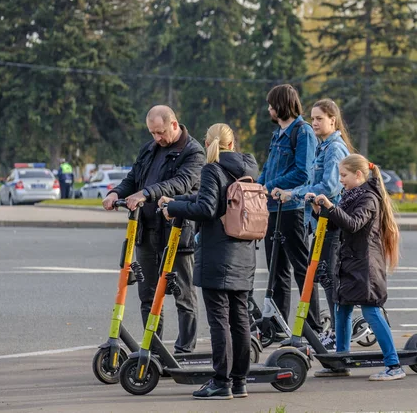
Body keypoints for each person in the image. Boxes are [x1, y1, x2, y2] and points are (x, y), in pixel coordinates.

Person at [161, 123, 258, 400]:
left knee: (220, 321)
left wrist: (172, 208)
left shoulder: (212, 169)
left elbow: (206, 208)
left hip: (218, 253)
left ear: (208, 143)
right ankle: (240, 381)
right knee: (240, 319)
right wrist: (179, 200)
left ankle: (220, 381)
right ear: (232, 142)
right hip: (245, 251)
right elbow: (215, 199)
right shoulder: (249, 168)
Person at [102, 105, 205, 353]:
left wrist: (146, 193)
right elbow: (134, 177)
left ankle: (184, 350)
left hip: (177, 232)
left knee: (183, 294)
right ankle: (154, 348)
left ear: (174, 124)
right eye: (152, 133)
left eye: (160, 132)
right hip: (146, 230)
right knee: (147, 294)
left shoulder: (193, 152)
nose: (157, 138)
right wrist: (116, 192)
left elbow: (180, 183)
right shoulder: (150, 149)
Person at [308, 154, 405, 381]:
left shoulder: (369, 198)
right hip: (351, 264)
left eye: (344, 175)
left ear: (358, 175)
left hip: (366, 267)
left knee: (371, 310)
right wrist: (319, 208)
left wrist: (331, 206)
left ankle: (394, 365)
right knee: (342, 310)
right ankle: (341, 363)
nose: (340, 180)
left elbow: (352, 225)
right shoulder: (350, 196)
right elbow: (334, 225)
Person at [271, 99, 353, 349]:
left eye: (319, 118)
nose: (314, 122)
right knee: (322, 275)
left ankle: (340, 336)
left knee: (329, 279)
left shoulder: (334, 149)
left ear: (333, 120)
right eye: (313, 118)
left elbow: (330, 186)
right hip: (322, 222)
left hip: (333, 223)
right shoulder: (322, 147)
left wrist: (294, 193)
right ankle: (335, 331)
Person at [257, 84, 322, 333]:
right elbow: (269, 166)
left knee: (301, 269)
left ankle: (313, 324)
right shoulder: (278, 133)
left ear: (282, 104)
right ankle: (277, 324)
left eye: (271, 104)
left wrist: (270, 185)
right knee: (277, 271)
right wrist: (257, 184)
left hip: (292, 208)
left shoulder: (302, 132)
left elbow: (302, 172)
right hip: (272, 209)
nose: (269, 109)